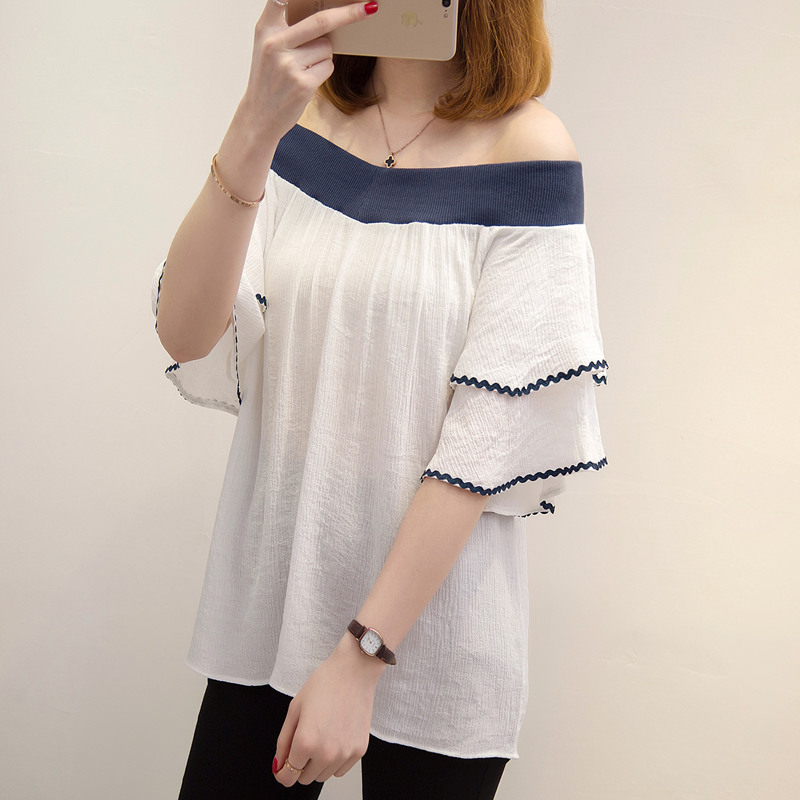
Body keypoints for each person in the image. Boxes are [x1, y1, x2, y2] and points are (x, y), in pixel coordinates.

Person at [151, 0, 608, 797]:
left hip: (434, 632)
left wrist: (362, 652)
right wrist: (254, 122)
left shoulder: (528, 148)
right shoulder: (302, 120)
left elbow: (483, 440)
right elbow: (185, 333)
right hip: (276, 602)